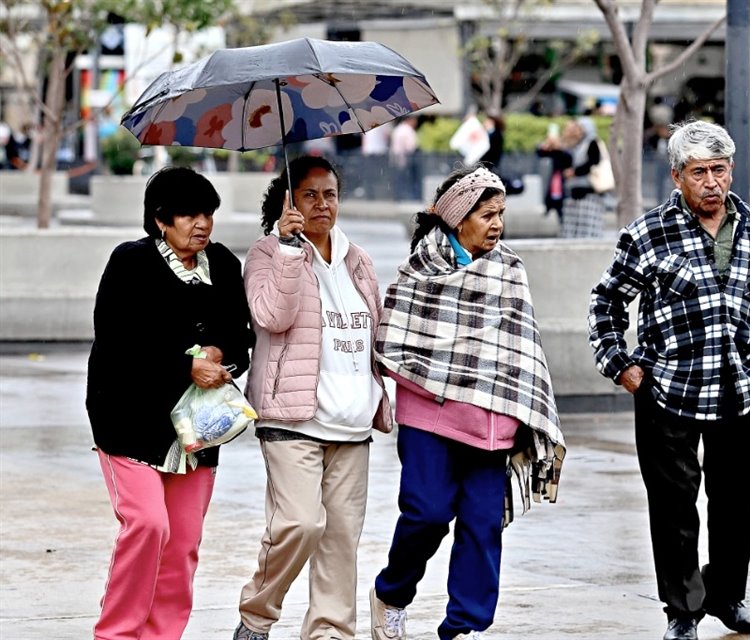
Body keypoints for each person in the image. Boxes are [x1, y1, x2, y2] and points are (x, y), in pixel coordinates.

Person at [587, 120, 750, 640]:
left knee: (736, 501)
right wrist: (621, 364)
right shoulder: (647, 233)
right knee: (674, 508)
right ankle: (682, 610)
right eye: (698, 172)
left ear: (732, 170)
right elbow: (606, 302)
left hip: (740, 391)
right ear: (677, 177)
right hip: (667, 392)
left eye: (719, 170)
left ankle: (728, 597)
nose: (711, 182)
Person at [369, 165, 565, 640]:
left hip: (494, 423)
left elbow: (522, 348)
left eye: (501, 214)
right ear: (459, 219)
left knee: (482, 525)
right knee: (427, 513)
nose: (497, 224)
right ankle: (392, 593)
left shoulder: (510, 270)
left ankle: (464, 626)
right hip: (430, 418)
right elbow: (394, 339)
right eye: (487, 215)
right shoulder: (422, 270)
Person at [85, 166, 253, 640]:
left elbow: (240, 338)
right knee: (148, 526)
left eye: (208, 213)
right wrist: (186, 366)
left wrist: (221, 355)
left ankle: (162, 635)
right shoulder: (130, 263)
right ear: (161, 219)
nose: (201, 223)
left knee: (182, 544)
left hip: (199, 429)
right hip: (130, 423)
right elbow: (118, 341)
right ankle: (117, 633)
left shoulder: (222, 264)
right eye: (189, 214)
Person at [233, 155, 393, 640]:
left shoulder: (357, 259)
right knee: (301, 525)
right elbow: (270, 318)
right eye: (310, 195)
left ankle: (330, 633)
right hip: (291, 418)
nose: (322, 204)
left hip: (352, 423)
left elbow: (377, 334)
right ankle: (256, 616)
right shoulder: (266, 253)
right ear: (289, 201)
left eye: (330, 194)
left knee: (341, 542)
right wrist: (286, 248)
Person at [389, 116, 419, 201]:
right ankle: (410, 198)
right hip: (407, 160)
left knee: (398, 181)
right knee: (409, 181)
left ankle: (398, 197)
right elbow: (411, 147)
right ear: (410, 120)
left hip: (395, 159)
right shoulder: (408, 130)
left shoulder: (398, 129)